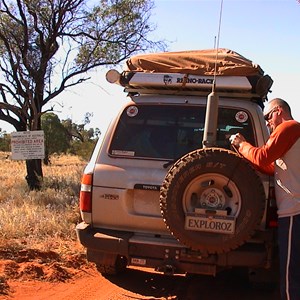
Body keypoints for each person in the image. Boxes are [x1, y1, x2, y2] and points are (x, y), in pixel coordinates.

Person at [229, 98, 300, 300]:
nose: (268, 122)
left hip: (294, 211)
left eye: (268, 117)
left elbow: (263, 156)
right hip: (293, 210)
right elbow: (271, 168)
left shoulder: (289, 127)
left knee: (290, 274)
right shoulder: (292, 135)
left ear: (279, 111)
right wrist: (244, 156)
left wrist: (242, 144)